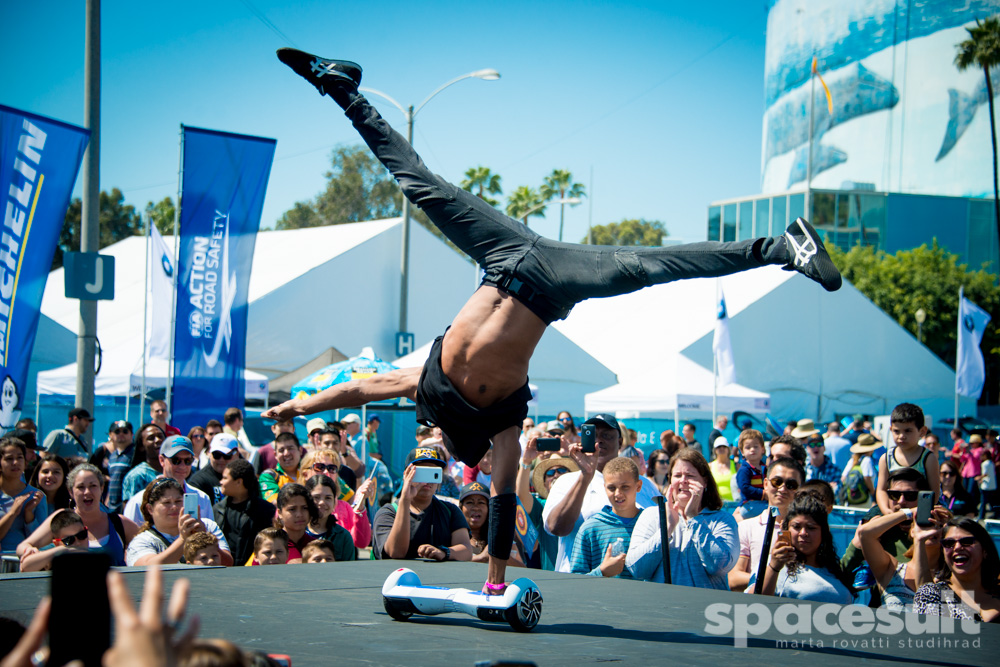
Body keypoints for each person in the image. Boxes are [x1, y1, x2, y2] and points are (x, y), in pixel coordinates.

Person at [268, 46, 842, 594]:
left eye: (434, 439)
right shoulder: (503, 425)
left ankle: (339, 86)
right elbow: (500, 502)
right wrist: (494, 576)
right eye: (442, 443)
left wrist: (298, 404)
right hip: (551, 282)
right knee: (652, 267)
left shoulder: (428, 389)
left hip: (499, 255)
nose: (433, 438)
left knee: (415, 182)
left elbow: (359, 387)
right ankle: (780, 248)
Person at [542, 414, 663, 573]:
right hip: (578, 583)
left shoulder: (644, 485)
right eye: (592, 435)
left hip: (636, 584)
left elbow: (664, 529)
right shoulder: (566, 482)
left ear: (619, 442)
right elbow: (556, 528)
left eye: (606, 435)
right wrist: (585, 476)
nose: (599, 440)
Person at [627, 448, 739, 588]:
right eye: (678, 475)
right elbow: (636, 569)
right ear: (670, 480)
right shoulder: (651, 515)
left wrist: (694, 519)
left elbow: (720, 566)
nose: (683, 481)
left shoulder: (723, 520)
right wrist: (667, 529)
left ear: (704, 481)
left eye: (690, 476)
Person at [17, 463, 140, 567]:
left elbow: (147, 545)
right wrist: (30, 550)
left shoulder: (119, 523)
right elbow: (22, 547)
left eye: (93, 486)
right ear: (71, 492)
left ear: (102, 488)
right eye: (81, 487)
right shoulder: (62, 519)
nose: (87, 492)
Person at [371, 446, 473, 562]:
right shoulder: (388, 513)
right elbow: (396, 552)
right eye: (421, 473)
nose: (427, 480)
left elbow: (466, 552)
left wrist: (444, 552)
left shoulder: (451, 511)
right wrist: (405, 500)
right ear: (406, 474)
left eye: (433, 473)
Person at [755, 494, 853, 604]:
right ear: (787, 529)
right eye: (796, 527)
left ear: (823, 532)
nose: (803, 533)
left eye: (811, 528)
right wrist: (774, 567)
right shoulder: (772, 564)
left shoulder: (834, 569)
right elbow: (752, 605)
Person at [727, 456, 804, 592]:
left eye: (791, 485)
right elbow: (733, 579)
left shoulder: (804, 532)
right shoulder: (746, 528)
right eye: (777, 482)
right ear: (766, 484)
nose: (782, 488)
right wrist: (771, 575)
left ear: (799, 490)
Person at [858, 497, 948, 611]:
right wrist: (911, 512)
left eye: (938, 525)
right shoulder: (891, 569)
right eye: (925, 522)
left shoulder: (954, 578)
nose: (930, 529)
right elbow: (865, 534)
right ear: (911, 530)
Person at [125, 478, 232, 566]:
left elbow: (228, 563)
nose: (174, 507)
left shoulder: (207, 526)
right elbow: (146, 568)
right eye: (166, 503)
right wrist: (183, 539)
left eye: (178, 501)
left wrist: (205, 538)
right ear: (150, 509)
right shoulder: (142, 541)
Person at [912, 517, 1000, 621]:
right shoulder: (932, 594)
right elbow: (928, 635)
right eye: (949, 543)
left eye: (967, 541)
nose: (957, 547)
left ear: (985, 550)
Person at [570, 457, 643, 578]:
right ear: (604, 487)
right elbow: (576, 582)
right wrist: (602, 572)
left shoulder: (651, 524)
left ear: (638, 486)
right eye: (611, 488)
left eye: (625, 487)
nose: (618, 493)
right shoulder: (590, 529)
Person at [515, 437, 578, 571]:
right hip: (552, 576)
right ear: (544, 484)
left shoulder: (584, 503)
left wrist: (573, 455)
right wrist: (526, 462)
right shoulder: (542, 506)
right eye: (550, 472)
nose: (556, 475)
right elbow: (521, 495)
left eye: (562, 470)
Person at [122, 436, 213, 525]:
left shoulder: (202, 498)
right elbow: (131, 537)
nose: (182, 466)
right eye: (176, 460)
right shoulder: (139, 501)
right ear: (161, 460)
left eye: (188, 460)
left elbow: (210, 535)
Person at [875, 403, 940, 515]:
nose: (901, 436)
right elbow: (881, 490)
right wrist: (886, 511)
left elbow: (934, 492)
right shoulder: (886, 458)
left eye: (908, 431)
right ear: (890, 430)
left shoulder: (928, 458)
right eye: (896, 431)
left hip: (920, 512)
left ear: (922, 431)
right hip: (893, 511)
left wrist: (920, 512)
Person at [213, 459, 276, 566]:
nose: (221, 482)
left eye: (225, 478)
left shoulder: (265, 510)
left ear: (239, 482)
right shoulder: (217, 509)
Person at [462, 481, 525, 566]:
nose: (476, 508)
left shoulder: (503, 539)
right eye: (470, 502)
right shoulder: (452, 538)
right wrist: (480, 558)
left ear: (489, 509)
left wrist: (500, 555)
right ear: (461, 508)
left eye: (481, 503)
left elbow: (524, 570)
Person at [0, 436, 47, 551]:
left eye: (19, 457)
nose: (15, 462)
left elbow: (42, 541)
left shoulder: (37, 495)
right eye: (9, 459)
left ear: (25, 462)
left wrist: (29, 515)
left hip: (23, 561)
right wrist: (12, 513)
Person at [304, 474, 362, 560]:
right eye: (316, 497)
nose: (322, 502)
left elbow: (348, 571)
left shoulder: (343, 537)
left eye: (328, 498)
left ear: (334, 502)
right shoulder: (296, 532)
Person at [18, 509, 91, 572]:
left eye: (81, 535)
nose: (77, 543)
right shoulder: (54, 558)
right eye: (69, 540)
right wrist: (62, 550)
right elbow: (25, 567)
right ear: (57, 543)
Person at [89, 420, 135, 512]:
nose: (121, 434)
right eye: (117, 431)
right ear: (110, 435)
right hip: (112, 507)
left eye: (125, 431)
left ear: (131, 435)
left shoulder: (135, 454)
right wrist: (107, 502)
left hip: (127, 507)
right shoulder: (113, 456)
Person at [267, 483, 319, 563]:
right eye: (292, 509)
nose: (299, 514)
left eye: (304, 508)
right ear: (280, 513)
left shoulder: (317, 547)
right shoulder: (268, 546)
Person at [188, 433, 240, 505]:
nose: (221, 460)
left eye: (226, 455)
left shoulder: (245, 478)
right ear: (209, 454)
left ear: (237, 454)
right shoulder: (198, 481)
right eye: (216, 455)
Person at [121, 424, 167, 503]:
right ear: (141, 446)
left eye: (160, 436)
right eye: (151, 438)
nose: (158, 440)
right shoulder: (136, 476)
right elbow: (130, 511)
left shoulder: (177, 470)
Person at [259, 432, 302, 503]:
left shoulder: (310, 472)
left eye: (290, 448)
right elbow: (275, 503)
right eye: (281, 450)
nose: (286, 453)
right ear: (275, 455)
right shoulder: (269, 476)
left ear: (300, 450)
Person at [839, 434, 878, 507]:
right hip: (865, 499)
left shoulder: (852, 460)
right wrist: (873, 494)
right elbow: (867, 478)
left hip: (851, 500)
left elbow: (843, 478)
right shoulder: (867, 460)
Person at [733, 429, 765, 507]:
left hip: (762, 502)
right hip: (749, 505)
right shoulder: (744, 469)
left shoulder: (765, 468)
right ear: (742, 452)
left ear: (762, 449)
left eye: (756, 446)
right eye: (748, 447)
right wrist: (763, 493)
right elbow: (745, 488)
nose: (752, 449)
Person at [708, 437, 736, 502]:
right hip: (716, 504)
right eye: (719, 447)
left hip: (734, 504)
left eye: (724, 446)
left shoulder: (736, 465)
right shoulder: (710, 466)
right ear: (715, 450)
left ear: (728, 449)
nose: (721, 448)